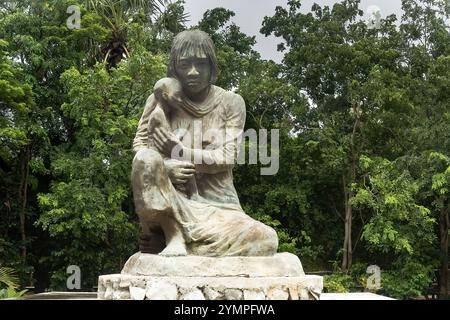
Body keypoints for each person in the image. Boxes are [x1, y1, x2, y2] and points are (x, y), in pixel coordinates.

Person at [132, 29, 278, 257]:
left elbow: (227, 158)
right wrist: (165, 168)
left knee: (265, 239)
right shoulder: (161, 97)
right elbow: (141, 146)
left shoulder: (231, 102)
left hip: (219, 207)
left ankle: (188, 245)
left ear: (212, 66)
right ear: (173, 68)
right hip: (173, 198)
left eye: (201, 64)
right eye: (184, 64)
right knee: (145, 159)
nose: (193, 72)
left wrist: (179, 152)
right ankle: (173, 235)